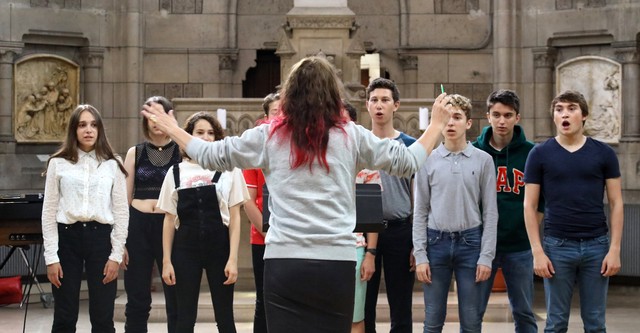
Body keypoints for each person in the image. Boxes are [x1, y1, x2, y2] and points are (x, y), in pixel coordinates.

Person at [141, 56, 452, 333]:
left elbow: (211, 156)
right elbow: (408, 161)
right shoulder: (353, 136)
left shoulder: (268, 135)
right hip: (336, 262)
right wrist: (436, 124)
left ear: (289, 94)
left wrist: (172, 128)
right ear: (333, 95)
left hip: (284, 262)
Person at [523, 90, 624, 333]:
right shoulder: (539, 154)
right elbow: (529, 205)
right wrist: (537, 252)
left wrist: (615, 249)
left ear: (584, 115)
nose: (565, 114)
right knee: (556, 323)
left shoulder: (604, 153)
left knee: (596, 323)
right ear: (554, 117)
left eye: (571, 108)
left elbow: (616, 202)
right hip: (557, 246)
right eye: (559, 109)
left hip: (597, 246)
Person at [413, 93, 498, 333]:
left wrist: (486, 256)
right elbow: (419, 210)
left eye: (457, 117)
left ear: (468, 123)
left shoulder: (483, 160)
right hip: (436, 242)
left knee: (471, 322)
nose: (450, 123)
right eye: (446, 118)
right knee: (432, 321)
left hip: (470, 243)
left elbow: (490, 212)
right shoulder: (427, 159)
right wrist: (420, 255)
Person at [158, 111, 249, 333]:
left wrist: (233, 260)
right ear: (187, 136)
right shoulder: (175, 171)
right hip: (185, 247)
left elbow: (235, 217)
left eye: (211, 133)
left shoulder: (229, 169)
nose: (206, 137)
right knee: (184, 319)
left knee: (225, 318)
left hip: (219, 246)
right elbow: (169, 220)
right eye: (199, 132)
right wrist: (167, 261)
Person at [41, 104, 129, 332]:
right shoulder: (57, 162)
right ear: (74, 130)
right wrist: (51, 257)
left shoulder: (113, 163)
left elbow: (121, 212)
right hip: (67, 239)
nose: (88, 130)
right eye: (82, 125)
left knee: (102, 316)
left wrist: (116, 254)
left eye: (93, 124)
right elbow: (49, 211)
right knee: (64, 315)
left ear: (100, 129)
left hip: (101, 239)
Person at [472, 89, 538, 333]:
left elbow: (541, 200)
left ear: (517, 118)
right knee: (473, 313)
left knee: (523, 312)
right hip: (480, 246)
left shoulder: (532, 153)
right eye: (496, 114)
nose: (502, 121)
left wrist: (527, 229)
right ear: (487, 116)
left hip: (519, 246)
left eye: (508, 115)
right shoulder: (474, 152)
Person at [122, 96, 182, 333]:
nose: (156, 122)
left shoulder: (182, 151)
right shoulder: (134, 153)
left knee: (175, 293)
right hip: (138, 225)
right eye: (151, 116)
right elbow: (123, 199)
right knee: (137, 295)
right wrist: (122, 240)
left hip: (171, 226)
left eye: (162, 115)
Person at [361, 78, 416, 333]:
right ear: (367, 105)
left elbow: (420, 196)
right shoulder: (360, 144)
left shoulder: (410, 145)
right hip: (362, 232)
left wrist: (418, 240)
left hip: (400, 230)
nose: (379, 105)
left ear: (396, 105)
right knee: (363, 306)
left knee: (401, 305)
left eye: (385, 100)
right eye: (374, 100)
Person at [242, 92, 280, 333]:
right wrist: (265, 230)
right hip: (263, 237)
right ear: (266, 116)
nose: (280, 117)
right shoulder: (255, 149)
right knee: (263, 300)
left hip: (290, 237)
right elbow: (248, 199)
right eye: (276, 112)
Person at [344, 100, 376, 333]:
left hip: (355, 247)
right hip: (324, 248)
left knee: (356, 317)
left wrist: (370, 254)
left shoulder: (367, 166)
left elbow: (372, 215)